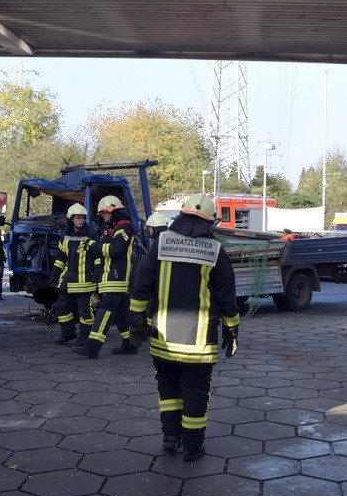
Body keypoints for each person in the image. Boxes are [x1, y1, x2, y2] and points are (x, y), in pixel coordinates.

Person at [128, 194, 240, 462]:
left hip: (163, 338)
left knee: (168, 388)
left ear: (181, 215)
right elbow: (227, 297)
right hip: (198, 342)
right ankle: (192, 447)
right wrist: (231, 331)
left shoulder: (161, 243)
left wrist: (136, 320)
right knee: (196, 393)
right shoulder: (215, 250)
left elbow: (141, 284)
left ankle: (170, 438)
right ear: (209, 221)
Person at [73, 196, 136, 359]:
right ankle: (130, 344)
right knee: (121, 313)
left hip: (116, 277)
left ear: (113, 212)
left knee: (105, 311)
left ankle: (92, 347)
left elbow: (115, 250)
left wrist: (93, 245)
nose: (103, 217)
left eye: (104, 214)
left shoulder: (124, 228)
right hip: (111, 277)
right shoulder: (116, 228)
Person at [51, 203, 98, 346]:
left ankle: (84, 337)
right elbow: (60, 258)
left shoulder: (91, 234)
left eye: (83, 218)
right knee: (61, 305)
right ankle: (68, 333)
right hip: (68, 279)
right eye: (78, 218)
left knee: (85, 311)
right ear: (71, 219)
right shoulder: (65, 236)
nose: (81, 220)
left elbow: (97, 256)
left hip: (85, 281)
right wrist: (54, 276)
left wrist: (97, 274)